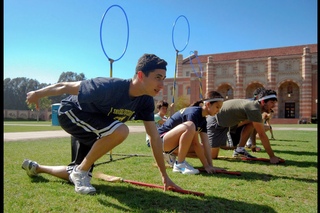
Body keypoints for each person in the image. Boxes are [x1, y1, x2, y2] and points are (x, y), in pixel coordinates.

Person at [22, 53, 182, 195]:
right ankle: (81, 171)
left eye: (164, 79)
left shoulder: (146, 102)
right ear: (141, 75)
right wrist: (37, 93)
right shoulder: (108, 87)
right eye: (158, 78)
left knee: (77, 173)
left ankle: (37, 168)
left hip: (95, 128)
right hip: (71, 112)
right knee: (121, 131)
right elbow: (65, 86)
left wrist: (164, 177)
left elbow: (154, 138)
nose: (162, 85)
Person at [207, 89, 282, 164]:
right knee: (213, 156)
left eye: (275, 102)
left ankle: (239, 149)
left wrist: (254, 145)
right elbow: (262, 135)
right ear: (262, 102)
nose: (274, 105)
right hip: (216, 122)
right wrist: (272, 156)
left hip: (227, 124)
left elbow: (253, 126)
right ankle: (197, 148)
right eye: (272, 102)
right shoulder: (254, 109)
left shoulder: (255, 108)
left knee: (251, 123)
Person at [158, 91, 224, 174]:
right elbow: (196, 143)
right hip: (159, 141)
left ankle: (171, 155)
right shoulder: (194, 113)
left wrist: (210, 165)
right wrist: (206, 166)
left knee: (204, 148)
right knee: (190, 125)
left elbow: (206, 143)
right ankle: (180, 164)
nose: (218, 110)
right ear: (208, 105)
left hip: (170, 144)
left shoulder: (203, 120)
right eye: (217, 107)